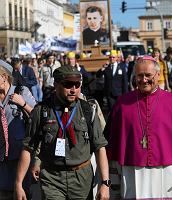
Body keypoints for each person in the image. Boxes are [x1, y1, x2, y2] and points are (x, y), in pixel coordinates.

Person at [105, 55, 172, 199]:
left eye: (148, 75)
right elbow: (115, 142)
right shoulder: (122, 104)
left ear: (158, 75)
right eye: (139, 76)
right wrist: (113, 176)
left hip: (166, 170)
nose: (143, 80)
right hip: (132, 169)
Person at [15, 65, 110, 200]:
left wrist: (105, 183)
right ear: (56, 84)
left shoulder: (88, 110)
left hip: (81, 179)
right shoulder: (41, 111)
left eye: (77, 85)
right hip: (52, 178)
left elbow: (100, 147)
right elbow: (27, 147)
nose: (73, 89)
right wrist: (18, 184)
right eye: (68, 85)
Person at [0, 60, 36, 199]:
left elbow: (38, 117)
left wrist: (23, 103)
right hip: (1, 159)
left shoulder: (21, 91)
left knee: (22, 194)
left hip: (21, 157)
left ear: (4, 77)